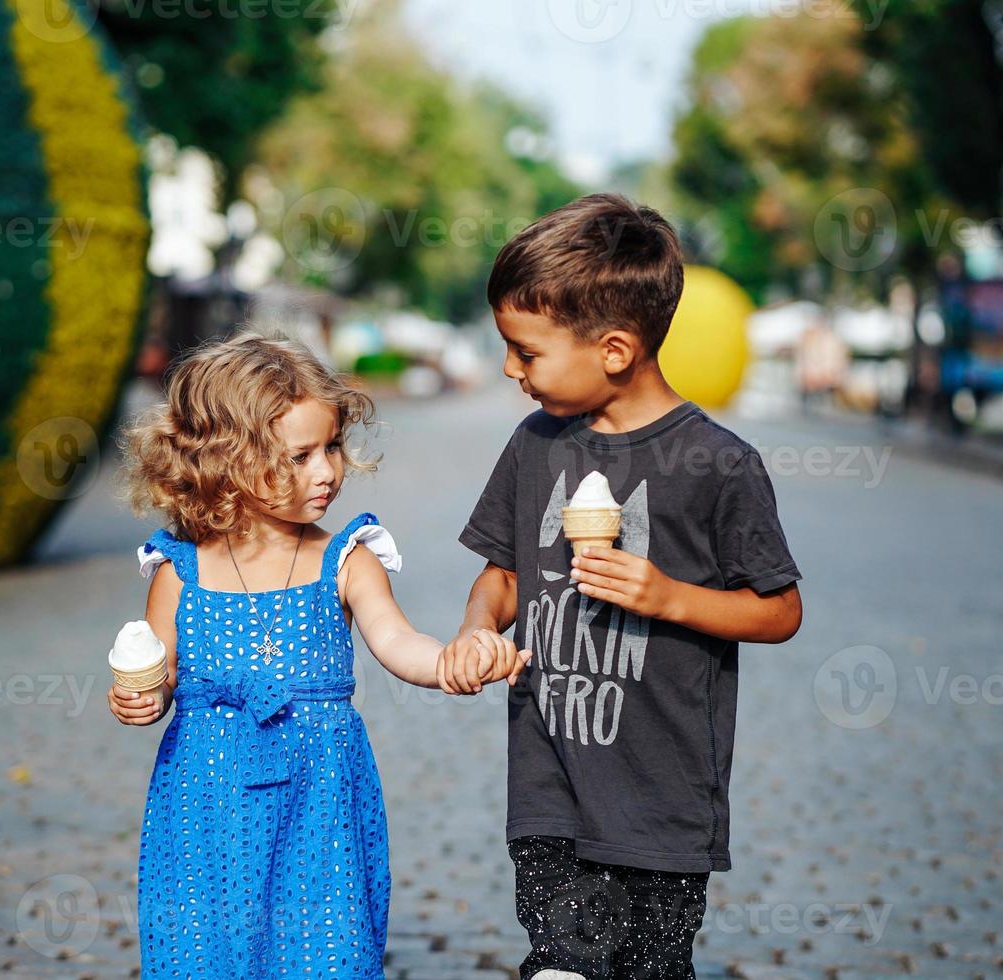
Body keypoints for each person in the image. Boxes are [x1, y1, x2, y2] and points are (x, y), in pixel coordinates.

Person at [441, 194, 805, 980]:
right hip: (551, 787)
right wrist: (479, 626)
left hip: (663, 802)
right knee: (563, 964)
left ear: (613, 349)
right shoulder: (536, 444)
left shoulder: (719, 465)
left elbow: (779, 611)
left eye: (524, 352)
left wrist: (668, 596)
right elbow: (501, 571)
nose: (510, 369)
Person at [109, 332, 530, 979]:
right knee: (203, 947)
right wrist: (142, 695)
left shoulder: (347, 558)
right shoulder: (178, 568)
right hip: (203, 798)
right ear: (226, 460)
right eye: (299, 455)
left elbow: (397, 641)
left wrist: (451, 661)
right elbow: (159, 670)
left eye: (331, 446)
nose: (327, 470)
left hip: (319, 795)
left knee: (323, 947)